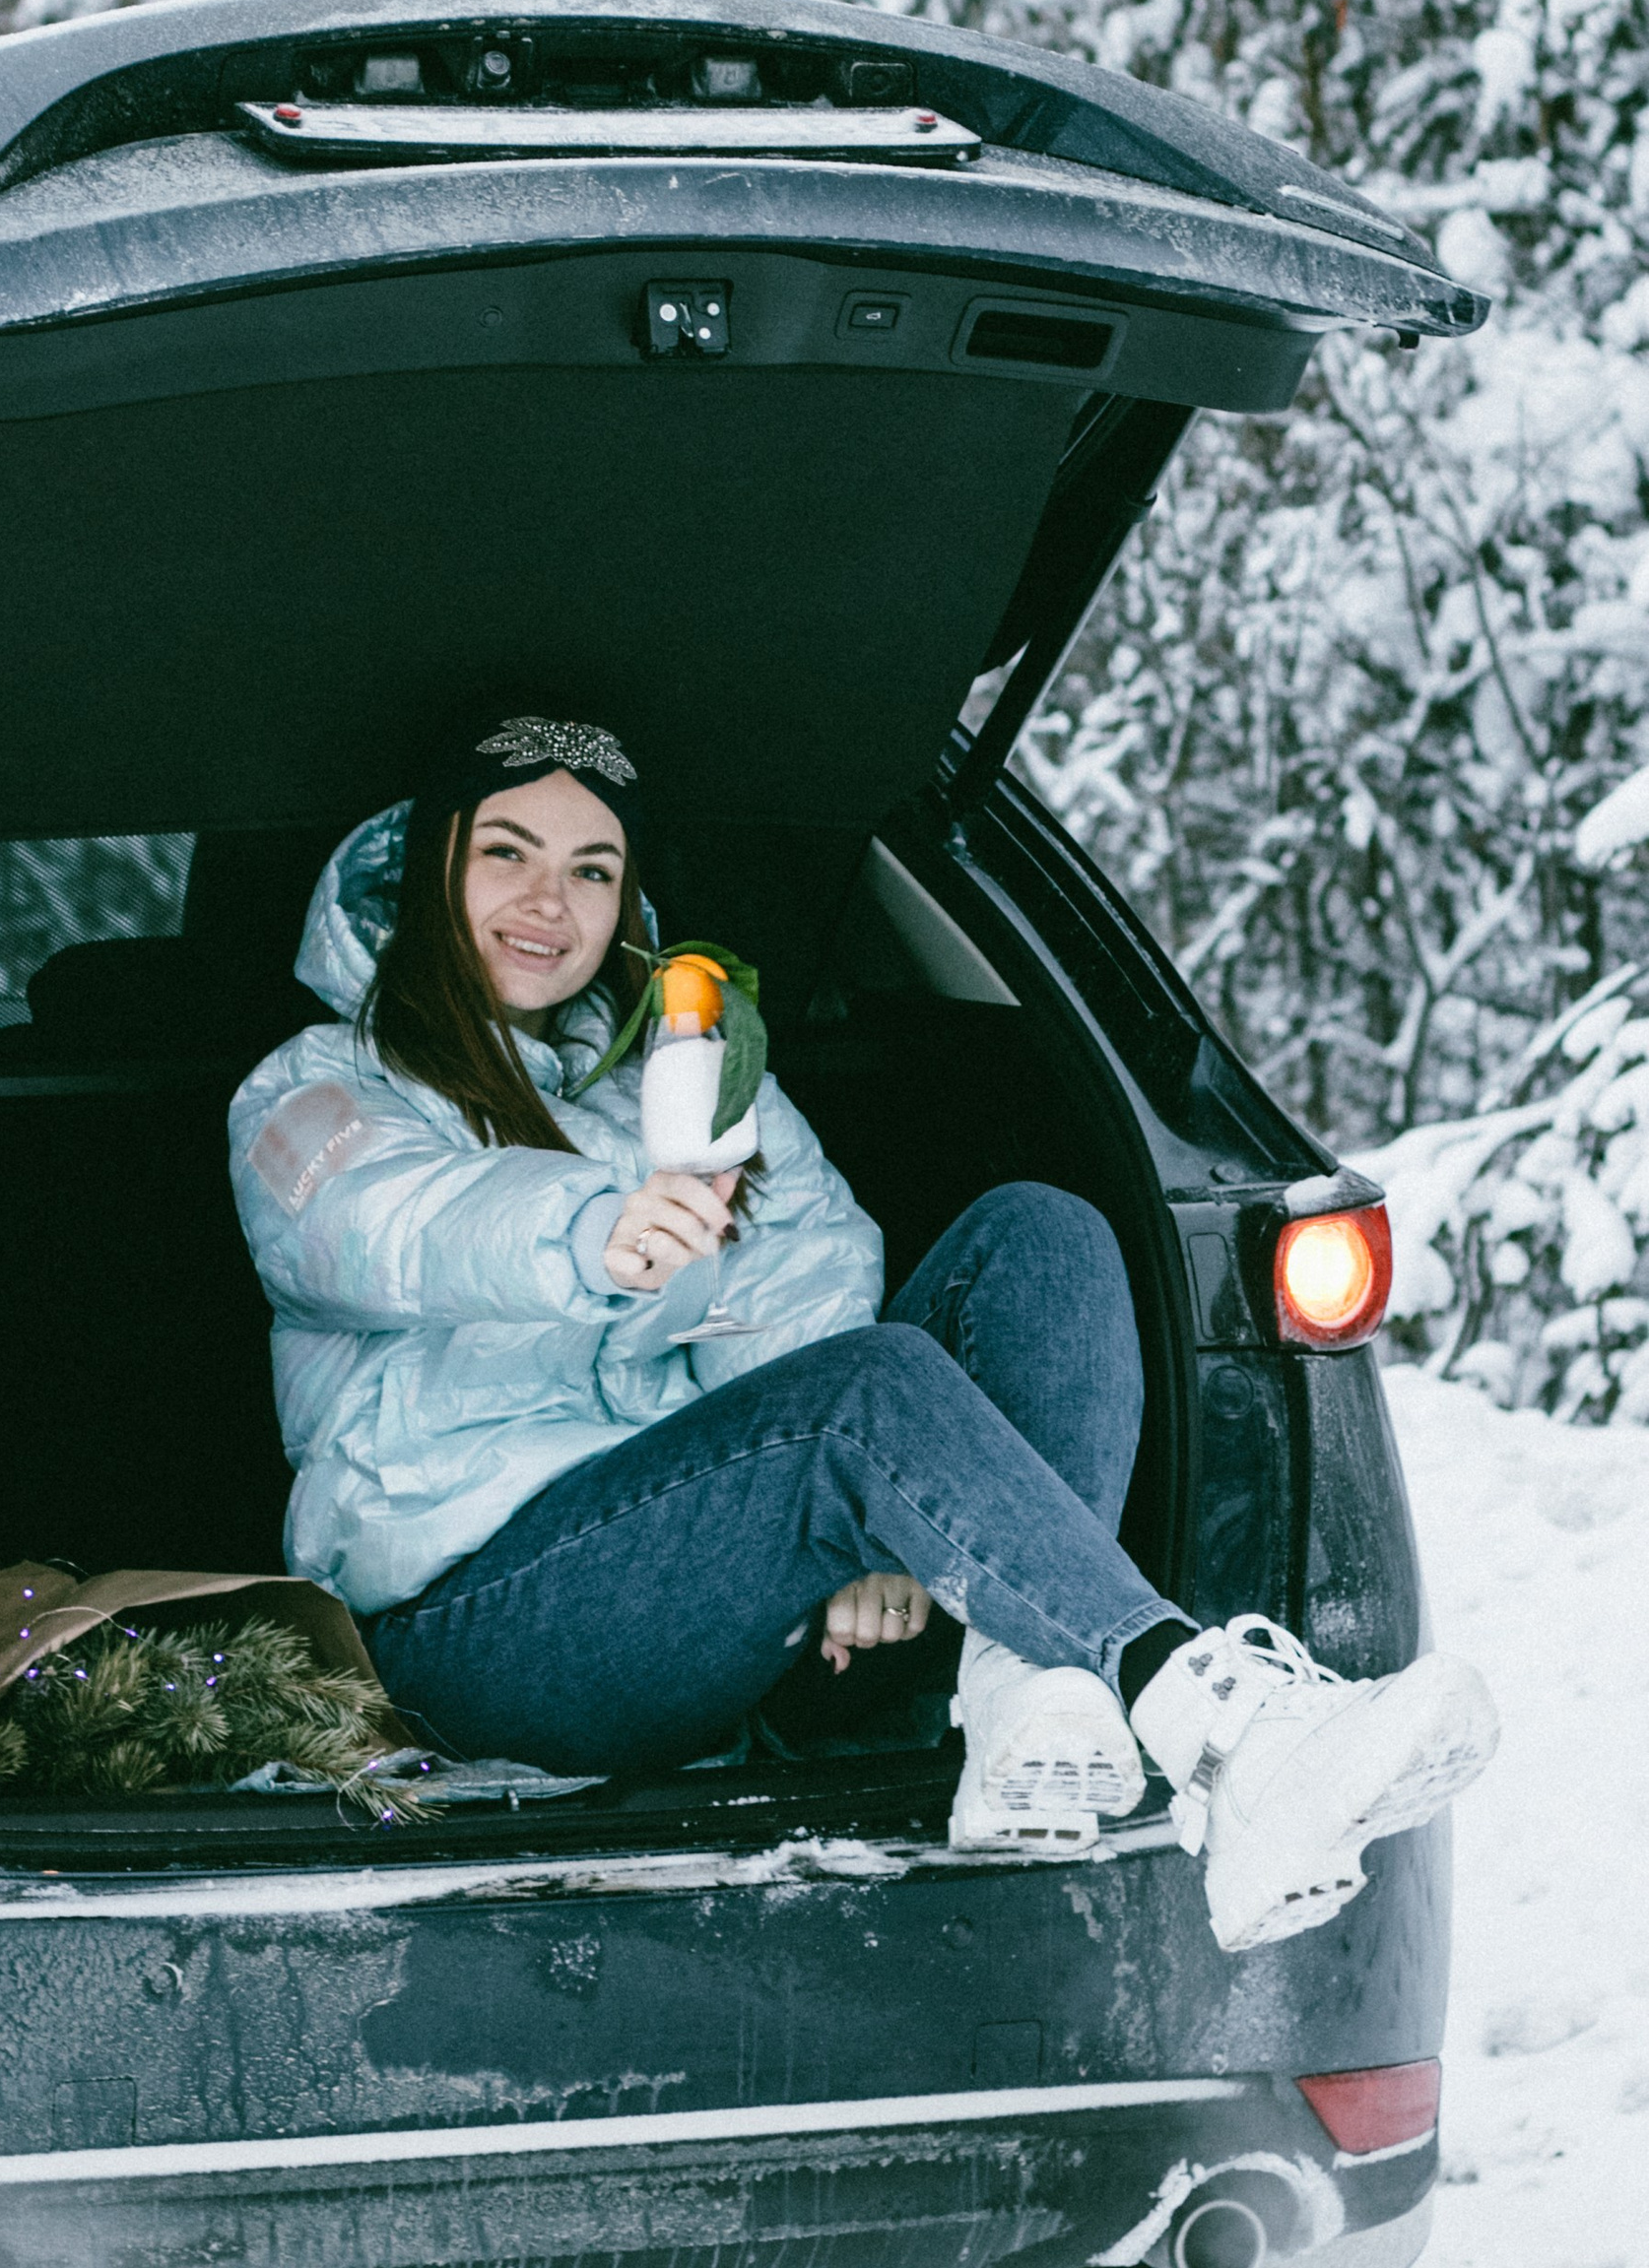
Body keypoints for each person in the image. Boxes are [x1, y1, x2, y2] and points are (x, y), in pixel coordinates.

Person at [228, 710, 1496, 1952]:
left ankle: (1026, 1686)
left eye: (593, 868)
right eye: (506, 851)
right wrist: (586, 1229)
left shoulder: (685, 1076)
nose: (548, 902)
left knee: (1041, 1235)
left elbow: (804, 1284)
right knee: (867, 1392)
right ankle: (1231, 1740)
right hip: (474, 1634)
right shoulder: (317, 1085)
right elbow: (387, 1222)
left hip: (701, 1593)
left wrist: (871, 1529)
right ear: (429, 865)